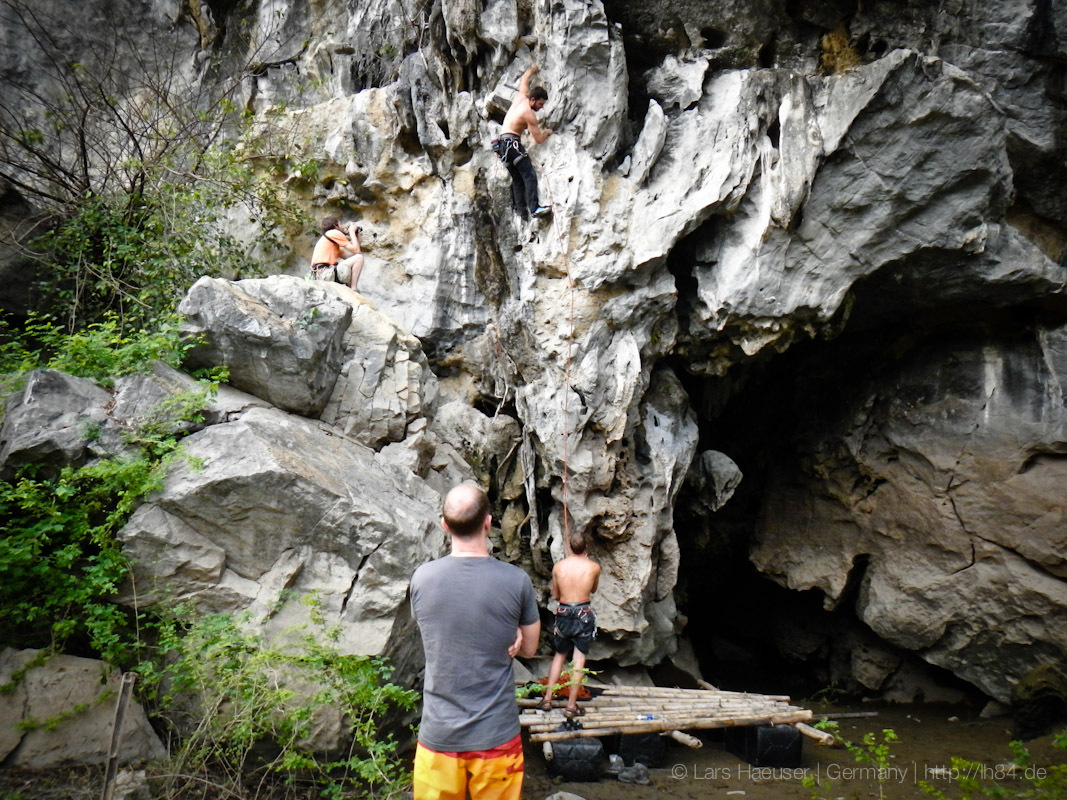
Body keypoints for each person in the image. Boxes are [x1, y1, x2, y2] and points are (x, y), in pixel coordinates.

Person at [409, 482, 541, 800]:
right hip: (496, 738)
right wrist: (515, 636)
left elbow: (436, 631)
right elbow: (529, 649)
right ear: (488, 522)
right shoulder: (516, 582)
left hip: (438, 738)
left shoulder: (422, 578)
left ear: (444, 525)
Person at [538, 532, 600, 718]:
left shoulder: (558, 567)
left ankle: (547, 699)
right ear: (586, 547)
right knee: (579, 659)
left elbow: (556, 595)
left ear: (570, 547)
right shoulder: (594, 567)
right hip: (583, 613)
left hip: (564, 613)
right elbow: (593, 590)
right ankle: (571, 706)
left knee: (559, 656)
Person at [494, 63, 553, 219]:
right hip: (512, 144)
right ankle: (534, 208)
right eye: (540, 104)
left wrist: (532, 70)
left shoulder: (521, 97)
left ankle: (522, 211)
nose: (541, 108)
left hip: (501, 145)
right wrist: (547, 132)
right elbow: (539, 139)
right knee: (529, 175)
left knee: (517, 179)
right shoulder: (529, 114)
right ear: (533, 100)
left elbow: (524, 80)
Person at [309, 216, 364, 290]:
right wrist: (351, 232)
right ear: (336, 225)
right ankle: (353, 288)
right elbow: (357, 252)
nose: (343, 227)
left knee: (356, 259)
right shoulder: (334, 232)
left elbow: (351, 256)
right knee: (359, 258)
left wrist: (357, 238)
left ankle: (351, 289)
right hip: (325, 274)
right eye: (340, 224)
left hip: (321, 275)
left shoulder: (330, 242)